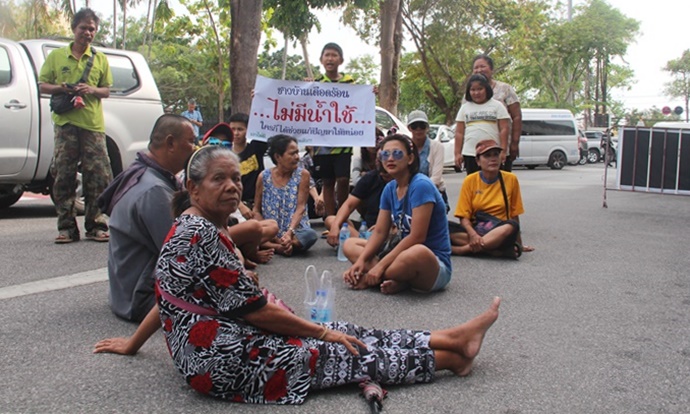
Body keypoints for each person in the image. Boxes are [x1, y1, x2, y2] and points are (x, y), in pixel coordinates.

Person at [96, 144, 501, 404]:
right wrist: (321, 332)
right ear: (195, 188)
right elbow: (256, 312)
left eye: (237, 178)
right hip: (220, 361)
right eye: (219, 179)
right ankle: (452, 358)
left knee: (344, 332)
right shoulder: (200, 235)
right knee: (336, 351)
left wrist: (133, 345)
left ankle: (447, 338)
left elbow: (168, 294)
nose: (233, 187)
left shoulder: (197, 225)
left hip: (227, 341)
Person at [98, 114, 196, 322]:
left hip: (124, 292)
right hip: (141, 299)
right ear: (170, 143)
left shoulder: (142, 172)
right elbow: (183, 253)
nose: (194, 148)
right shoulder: (154, 190)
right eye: (190, 141)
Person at [38, 8, 113, 244]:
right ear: (74, 29)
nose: (87, 33)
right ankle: (67, 228)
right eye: (83, 28)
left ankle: (96, 225)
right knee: (63, 175)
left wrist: (91, 90)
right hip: (65, 125)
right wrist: (64, 87)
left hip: (92, 126)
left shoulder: (100, 59)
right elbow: (42, 85)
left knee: (98, 176)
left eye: (92, 29)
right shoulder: (57, 57)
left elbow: (107, 91)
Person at [342, 134, 452, 295]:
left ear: (410, 159)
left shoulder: (421, 185)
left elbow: (417, 237)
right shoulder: (390, 188)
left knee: (416, 252)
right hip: (399, 255)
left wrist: (379, 266)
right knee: (349, 245)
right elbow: (379, 232)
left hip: (432, 262)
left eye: (397, 153)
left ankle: (374, 278)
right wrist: (360, 262)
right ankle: (400, 280)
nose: (390, 158)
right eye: (385, 154)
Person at [451, 140, 525, 259]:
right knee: (444, 226)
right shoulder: (470, 180)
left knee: (512, 226)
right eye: (487, 156)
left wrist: (520, 244)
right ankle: (492, 249)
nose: (493, 159)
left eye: (496, 154)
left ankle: (464, 250)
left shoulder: (511, 179)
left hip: (499, 230)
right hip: (476, 229)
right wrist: (473, 234)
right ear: (478, 161)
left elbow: (514, 214)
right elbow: (463, 217)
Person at [253, 134, 318, 255]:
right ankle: (279, 246)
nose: (297, 157)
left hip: (295, 231)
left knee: (310, 235)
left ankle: (282, 244)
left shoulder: (303, 174)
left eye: (297, 153)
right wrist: (268, 231)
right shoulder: (264, 176)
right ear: (278, 157)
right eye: (292, 154)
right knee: (251, 232)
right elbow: (256, 210)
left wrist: (289, 233)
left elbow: (301, 207)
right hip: (270, 231)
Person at [310, 43, 355, 217]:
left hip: (343, 142)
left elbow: (360, 105)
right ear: (321, 60)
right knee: (328, 182)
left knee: (343, 180)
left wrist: (370, 92)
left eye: (334, 55)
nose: (330, 58)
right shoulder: (315, 84)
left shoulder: (351, 83)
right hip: (322, 143)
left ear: (341, 60)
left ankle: (342, 218)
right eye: (327, 55)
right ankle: (330, 220)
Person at [325, 135, 391, 245]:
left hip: (393, 230)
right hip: (368, 229)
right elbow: (348, 205)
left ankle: (364, 246)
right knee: (331, 220)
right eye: (380, 159)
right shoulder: (370, 178)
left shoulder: (409, 182)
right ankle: (365, 244)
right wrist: (335, 227)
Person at [468, 54, 523, 172]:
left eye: (482, 66)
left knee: (501, 186)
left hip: (499, 150)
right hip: (475, 152)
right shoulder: (469, 93)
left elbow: (516, 117)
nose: (479, 70)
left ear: (491, 69)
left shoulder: (505, 89)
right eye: (476, 68)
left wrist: (514, 143)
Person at [454, 74, 510, 175]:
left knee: (494, 185)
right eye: (473, 90)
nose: (476, 93)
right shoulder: (464, 108)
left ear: (486, 89)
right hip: (471, 154)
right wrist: (457, 153)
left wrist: (504, 151)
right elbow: (459, 132)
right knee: (474, 185)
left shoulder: (497, 106)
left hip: (492, 154)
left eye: (480, 89)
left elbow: (504, 129)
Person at [406, 110, 449, 211]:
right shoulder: (405, 147)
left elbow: (436, 178)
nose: (418, 129)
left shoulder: (437, 147)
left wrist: (417, 190)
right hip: (408, 194)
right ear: (409, 128)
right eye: (414, 126)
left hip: (433, 192)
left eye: (422, 126)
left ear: (427, 128)